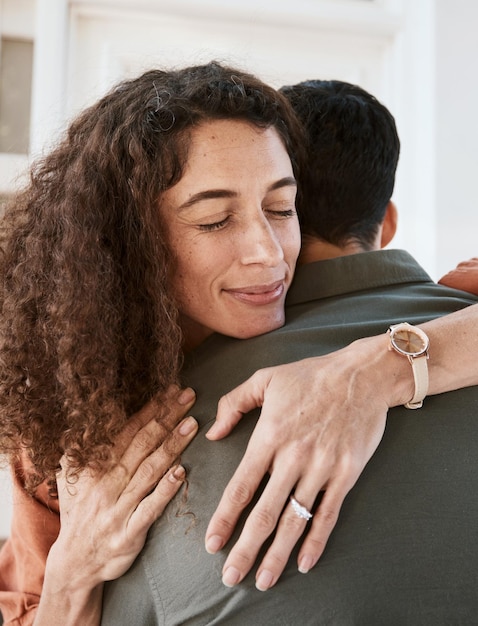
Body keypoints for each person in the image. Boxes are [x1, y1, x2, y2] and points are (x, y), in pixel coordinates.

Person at [100, 80, 478, 624]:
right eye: (214, 220)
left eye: (279, 208)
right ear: (387, 221)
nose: (262, 253)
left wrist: (377, 371)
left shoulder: (152, 437)